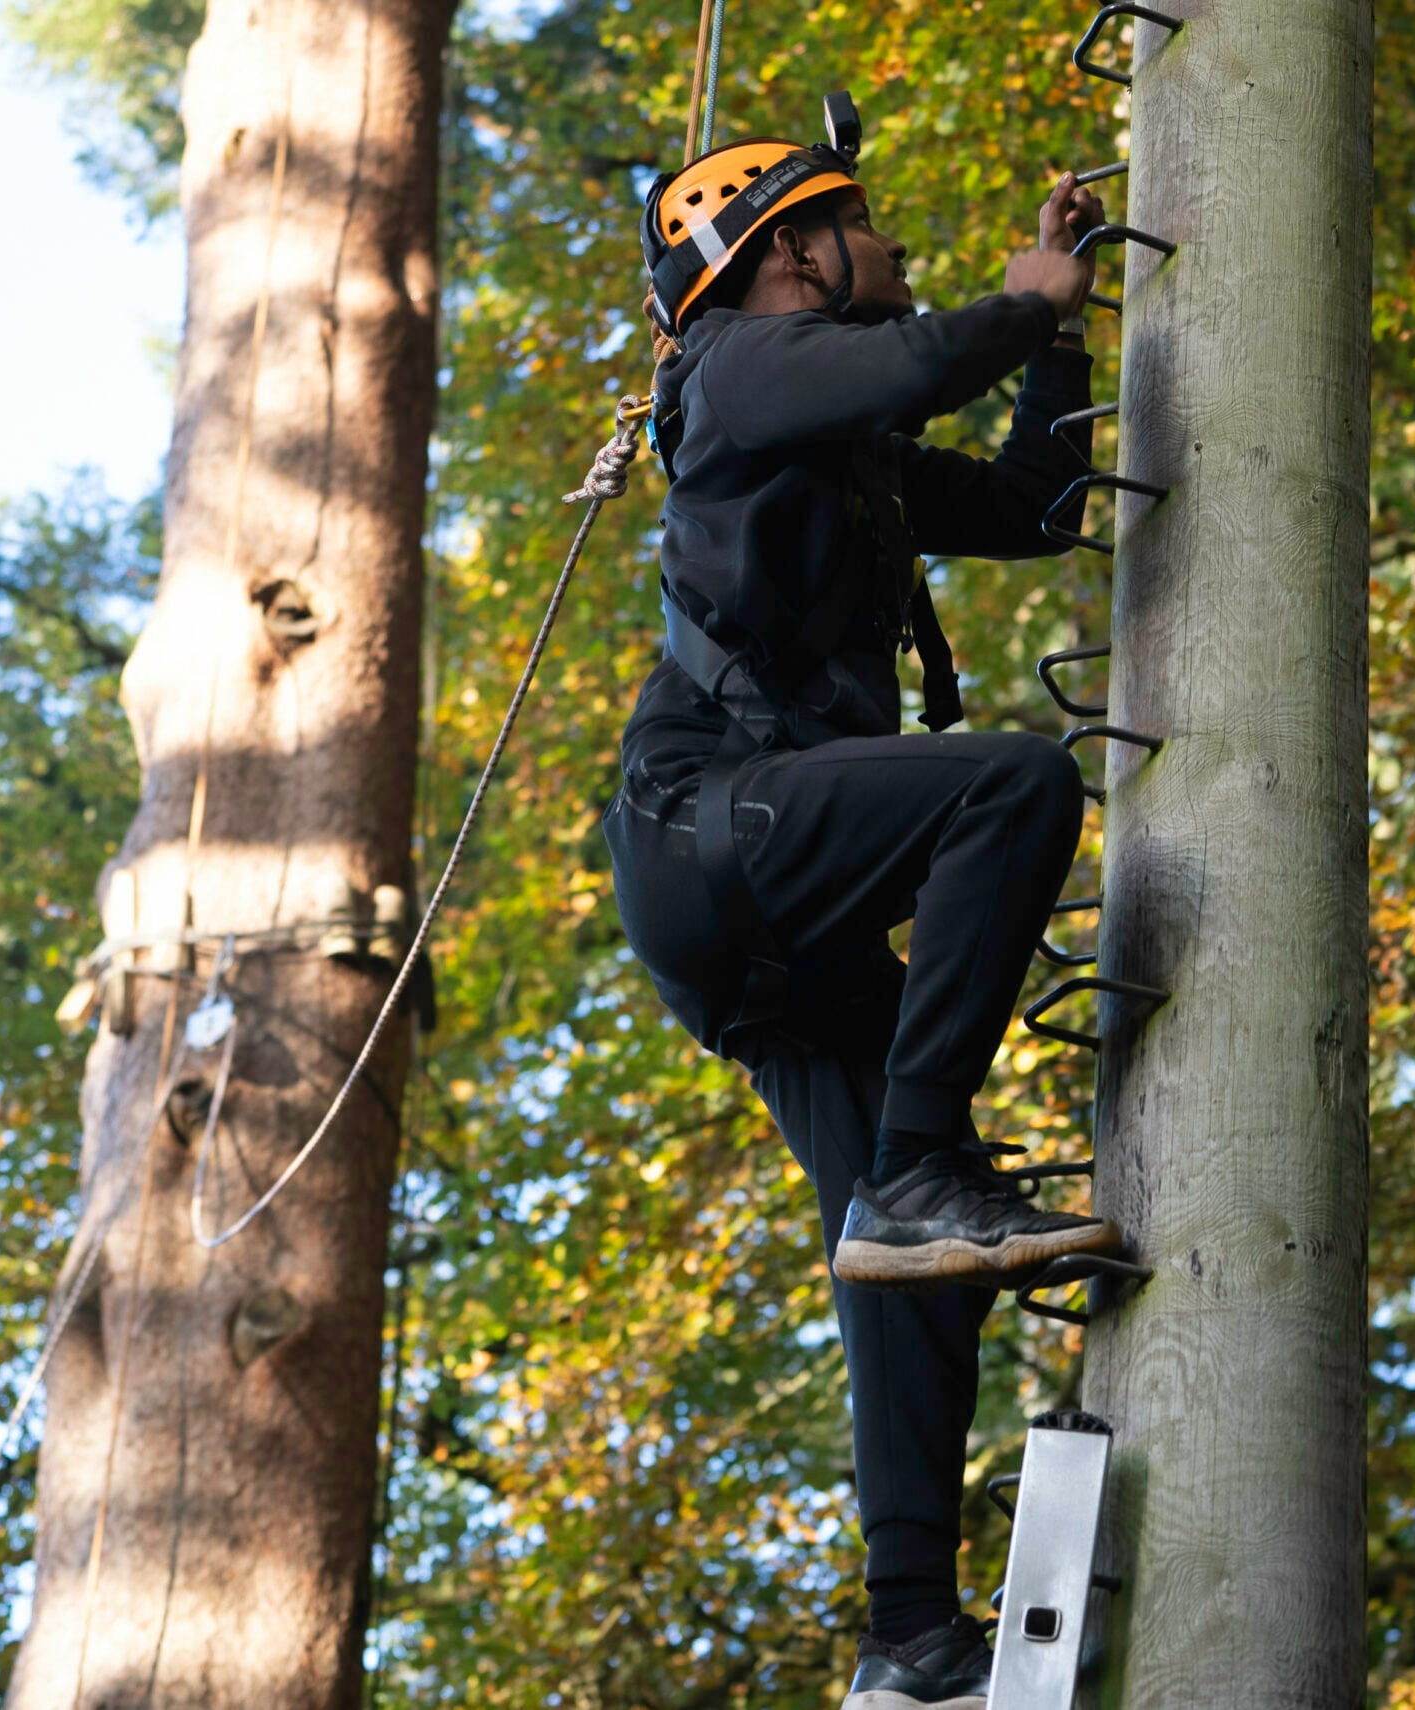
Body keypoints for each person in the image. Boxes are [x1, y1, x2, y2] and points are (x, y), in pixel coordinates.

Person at [601, 112, 1118, 1709]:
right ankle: (920, 1164)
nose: (894, 253)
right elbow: (896, 366)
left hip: (758, 914)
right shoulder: (734, 372)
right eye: (866, 230)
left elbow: (1040, 505)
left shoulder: (849, 444)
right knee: (1012, 787)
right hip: (714, 833)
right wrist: (1019, 304)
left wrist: (1065, 324)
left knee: (906, 1260)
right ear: (790, 258)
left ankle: (910, 1636)